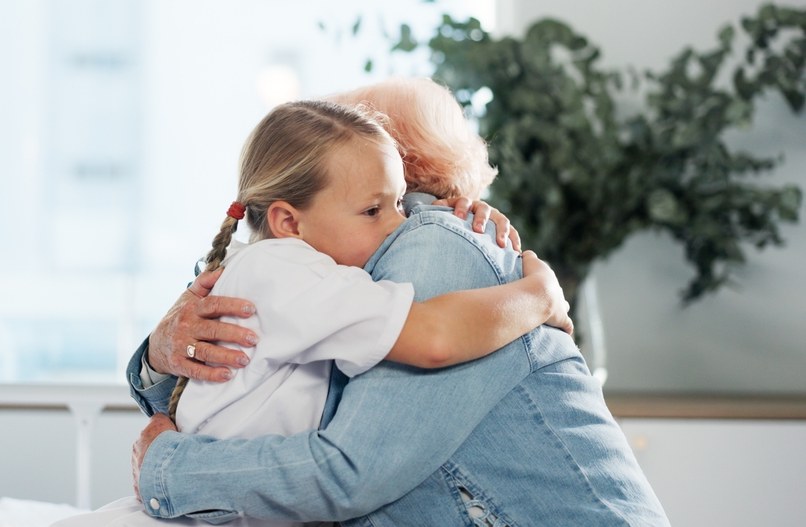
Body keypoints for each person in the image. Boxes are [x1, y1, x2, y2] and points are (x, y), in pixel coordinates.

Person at [129, 78, 670, 526]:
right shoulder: (306, 265)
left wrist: (166, 468)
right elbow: (239, 392)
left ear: (395, 160)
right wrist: (158, 354)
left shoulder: (434, 245)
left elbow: (351, 470)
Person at [54, 99, 569, 527]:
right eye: (375, 210)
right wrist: (540, 294)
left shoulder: (271, 266)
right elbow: (433, 337)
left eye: (404, 204)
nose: (400, 227)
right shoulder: (285, 272)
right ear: (288, 222)